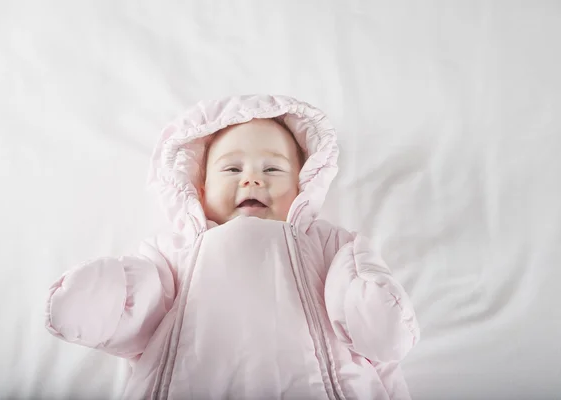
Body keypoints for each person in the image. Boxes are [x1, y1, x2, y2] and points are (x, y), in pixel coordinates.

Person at [45, 94, 420, 400]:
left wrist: (375, 308)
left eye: (272, 170)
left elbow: (372, 324)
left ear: (304, 185)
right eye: (232, 170)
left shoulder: (330, 245)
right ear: (201, 188)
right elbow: (137, 305)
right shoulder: (172, 254)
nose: (252, 180)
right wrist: (99, 299)